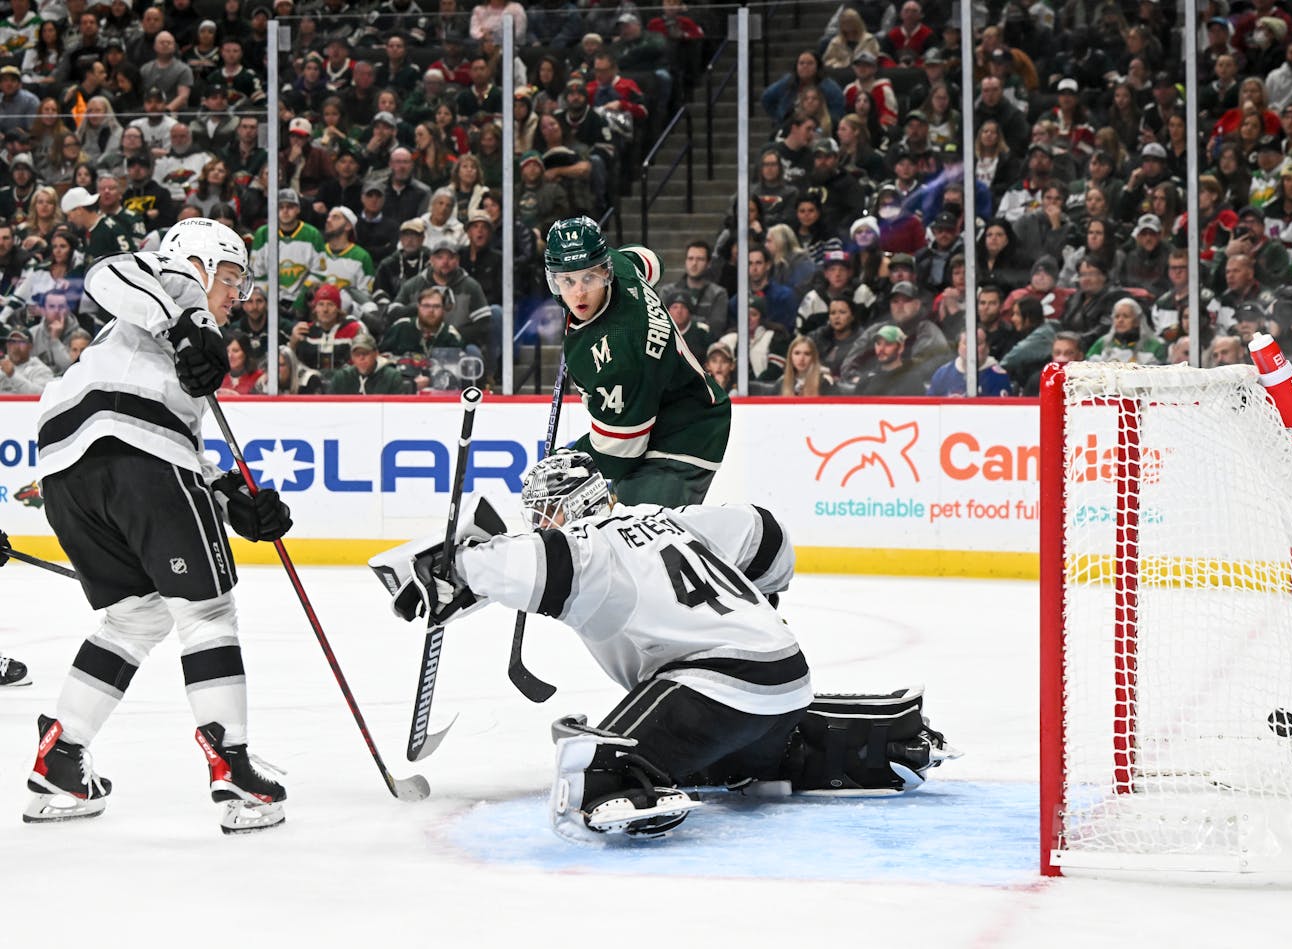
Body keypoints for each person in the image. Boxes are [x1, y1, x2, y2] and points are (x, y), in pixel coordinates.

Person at [369, 450, 953, 842]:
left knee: (593, 770)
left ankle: (627, 782)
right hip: (786, 681)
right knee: (738, 766)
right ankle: (877, 737)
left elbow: (539, 562)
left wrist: (451, 569)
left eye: (543, 511)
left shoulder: (587, 547)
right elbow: (767, 533)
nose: (539, 522)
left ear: (565, 509)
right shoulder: (669, 520)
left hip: (712, 687)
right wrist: (764, 609)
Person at [23, 218, 292, 832]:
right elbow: (106, 272)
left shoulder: (140, 341)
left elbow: (181, 449)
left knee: (135, 615)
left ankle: (60, 760)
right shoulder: (163, 286)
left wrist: (232, 500)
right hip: (134, 453)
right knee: (207, 612)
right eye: (230, 278)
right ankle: (233, 771)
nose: (236, 295)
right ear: (198, 264)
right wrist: (189, 321)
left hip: (69, 470)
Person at [545, 216, 730, 506]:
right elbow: (651, 260)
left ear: (604, 271)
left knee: (639, 544)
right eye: (568, 280)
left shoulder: (619, 354)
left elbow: (620, 453)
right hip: (660, 413)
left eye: (588, 278)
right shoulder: (622, 266)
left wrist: (566, 460)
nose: (579, 292)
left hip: (681, 437)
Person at [327, 331, 408, 394]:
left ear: (376, 354)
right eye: (357, 354)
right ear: (351, 356)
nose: (361, 358)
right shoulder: (341, 378)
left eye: (365, 353)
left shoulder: (391, 377)